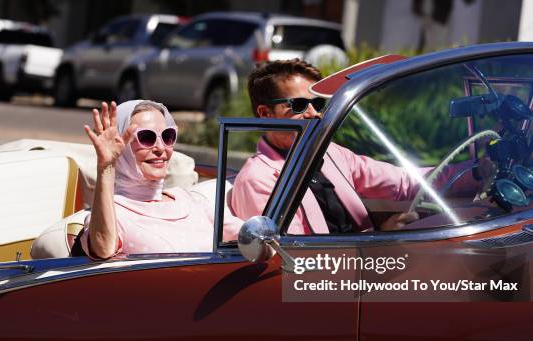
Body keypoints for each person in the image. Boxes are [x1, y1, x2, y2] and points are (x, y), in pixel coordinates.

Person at [230, 59, 484, 233]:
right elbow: (292, 262)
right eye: (298, 105)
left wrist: (476, 173)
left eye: (318, 105)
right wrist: (380, 237)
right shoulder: (257, 179)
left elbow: (404, 183)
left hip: (362, 274)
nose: (313, 114)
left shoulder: (331, 154)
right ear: (264, 113)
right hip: (324, 293)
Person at [80, 100, 241, 259]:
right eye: (146, 137)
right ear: (122, 148)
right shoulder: (113, 212)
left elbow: (249, 235)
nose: (161, 147)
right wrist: (107, 167)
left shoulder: (192, 200)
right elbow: (103, 248)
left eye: (168, 136)